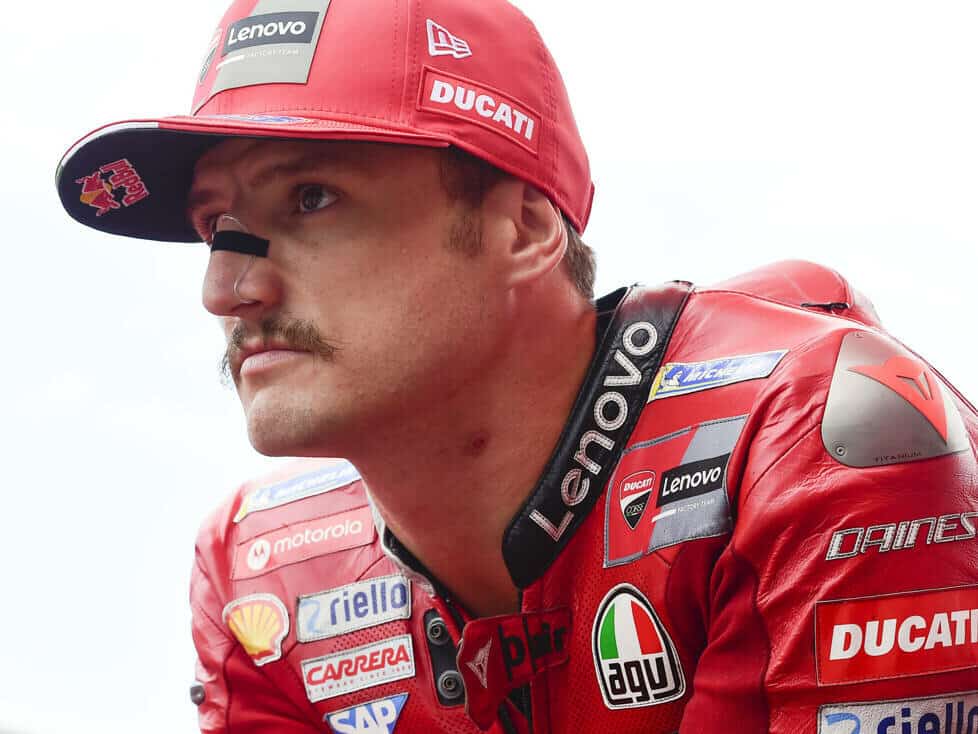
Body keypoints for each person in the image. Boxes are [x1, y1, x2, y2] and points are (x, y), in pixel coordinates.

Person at [56, 0, 978, 731]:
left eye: (310, 197)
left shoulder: (818, 435)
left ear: (525, 228)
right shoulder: (265, 574)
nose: (226, 288)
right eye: (214, 227)